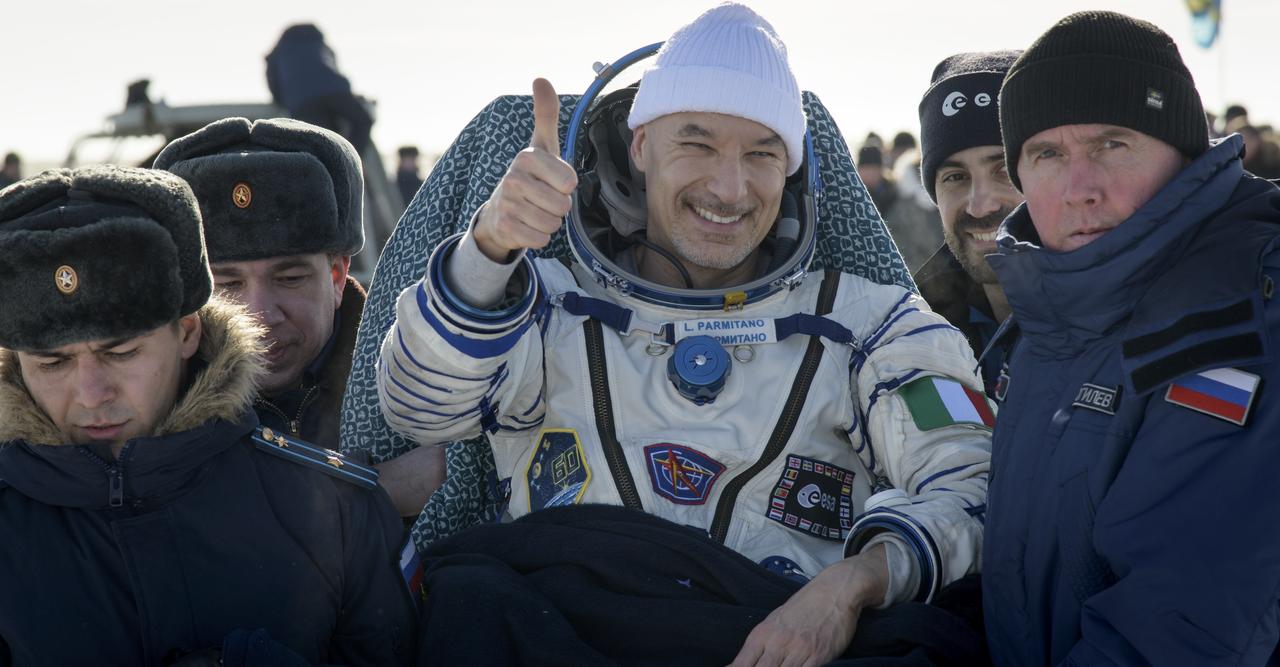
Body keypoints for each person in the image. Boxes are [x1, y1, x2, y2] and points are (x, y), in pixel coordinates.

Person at [379, 4, 990, 664]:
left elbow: (976, 488)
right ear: (640, 147)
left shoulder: (872, 326)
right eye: (696, 144)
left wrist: (852, 584)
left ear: (791, 166)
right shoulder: (546, 308)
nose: (730, 188)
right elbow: (419, 405)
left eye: (761, 152)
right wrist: (488, 249)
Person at [0, 166, 416, 665]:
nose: (91, 394)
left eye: (122, 352)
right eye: (53, 362)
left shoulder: (339, 509)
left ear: (189, 332)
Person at [983, 11, 1280, 665]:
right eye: (1047, 154)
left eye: (1112, 144)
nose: (1079, 188)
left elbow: (1180, 629)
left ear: (1183, 151)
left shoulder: (1240, 308)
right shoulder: (1054, 309)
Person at [154, 117, 444, 517]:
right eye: (227, 285)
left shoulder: (426, 385)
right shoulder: (148, 402)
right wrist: (380, 491)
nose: (259, 315)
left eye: (289, 279)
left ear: (338, 276)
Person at [912, 51, 1022, 394]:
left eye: (1003, 169)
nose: (980, 205)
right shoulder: (912, 332)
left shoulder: (1122, 329)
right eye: (955, 177)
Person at [265, 24, 373, 159]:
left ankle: (335, 164)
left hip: (302, 100)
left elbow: (273, 80)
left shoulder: (279, 51)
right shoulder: (319, 44)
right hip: (335, 91)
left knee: (320, 139)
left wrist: (283, 101)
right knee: (363, 120)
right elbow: (334, 65)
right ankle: (352, 159)